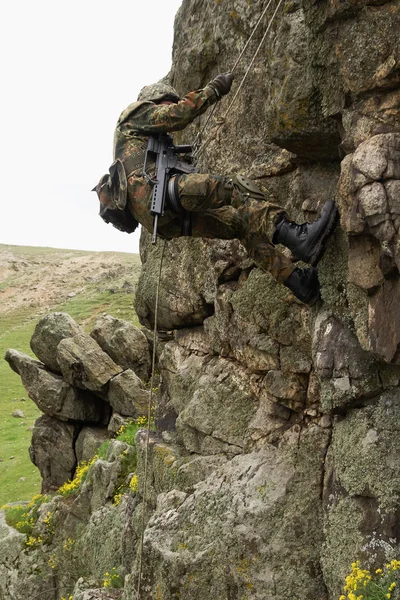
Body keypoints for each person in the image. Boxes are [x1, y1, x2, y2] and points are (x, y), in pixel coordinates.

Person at [93, 73, 338, 306]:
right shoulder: (134, 114)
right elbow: (178, 114)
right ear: (155, 100)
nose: (171, 106)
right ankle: (298, 237)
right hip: (156, 194)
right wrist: (213, 90)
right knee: (235, 188)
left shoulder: (143, 141)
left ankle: (299, 284)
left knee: (240, 224)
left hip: (163, 218)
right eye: (168, 102)